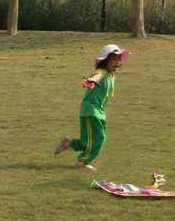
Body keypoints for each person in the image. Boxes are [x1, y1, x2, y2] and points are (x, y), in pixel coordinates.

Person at [53, 44, 128, 172]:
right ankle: (82, 162)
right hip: (90, 111)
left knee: (87, 141)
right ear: (106, 60)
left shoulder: (111, 75)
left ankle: (70, 144)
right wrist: (91, 80)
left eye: (119, 58)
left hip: (98, 111)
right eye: (114, 59)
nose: (117, 61)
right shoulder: (102, 72)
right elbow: (96, 76)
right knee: (98, 139)